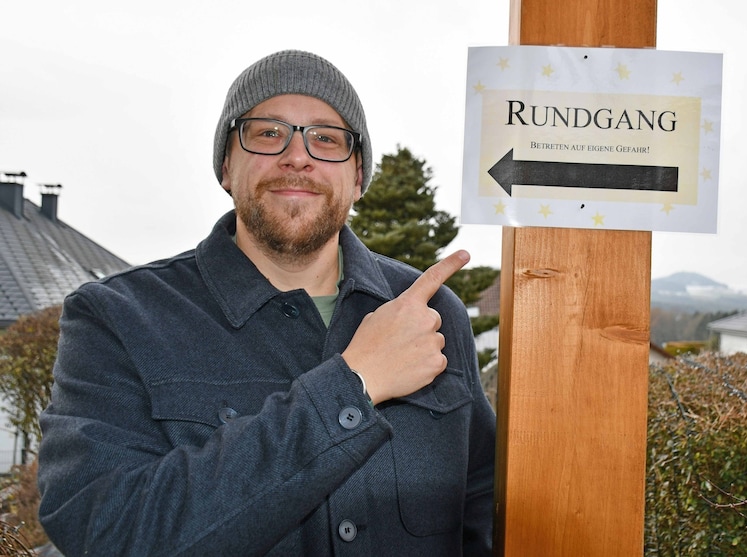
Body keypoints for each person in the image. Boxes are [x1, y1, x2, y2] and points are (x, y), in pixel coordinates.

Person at [37, 49, 496, 556]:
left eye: (326, 138)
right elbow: (106, 531)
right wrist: (354, 385)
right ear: (226, 167)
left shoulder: (431, 312)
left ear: (359, 176)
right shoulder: (116, 319)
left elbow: (483, 510)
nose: (297, 156)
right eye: (268, 133)